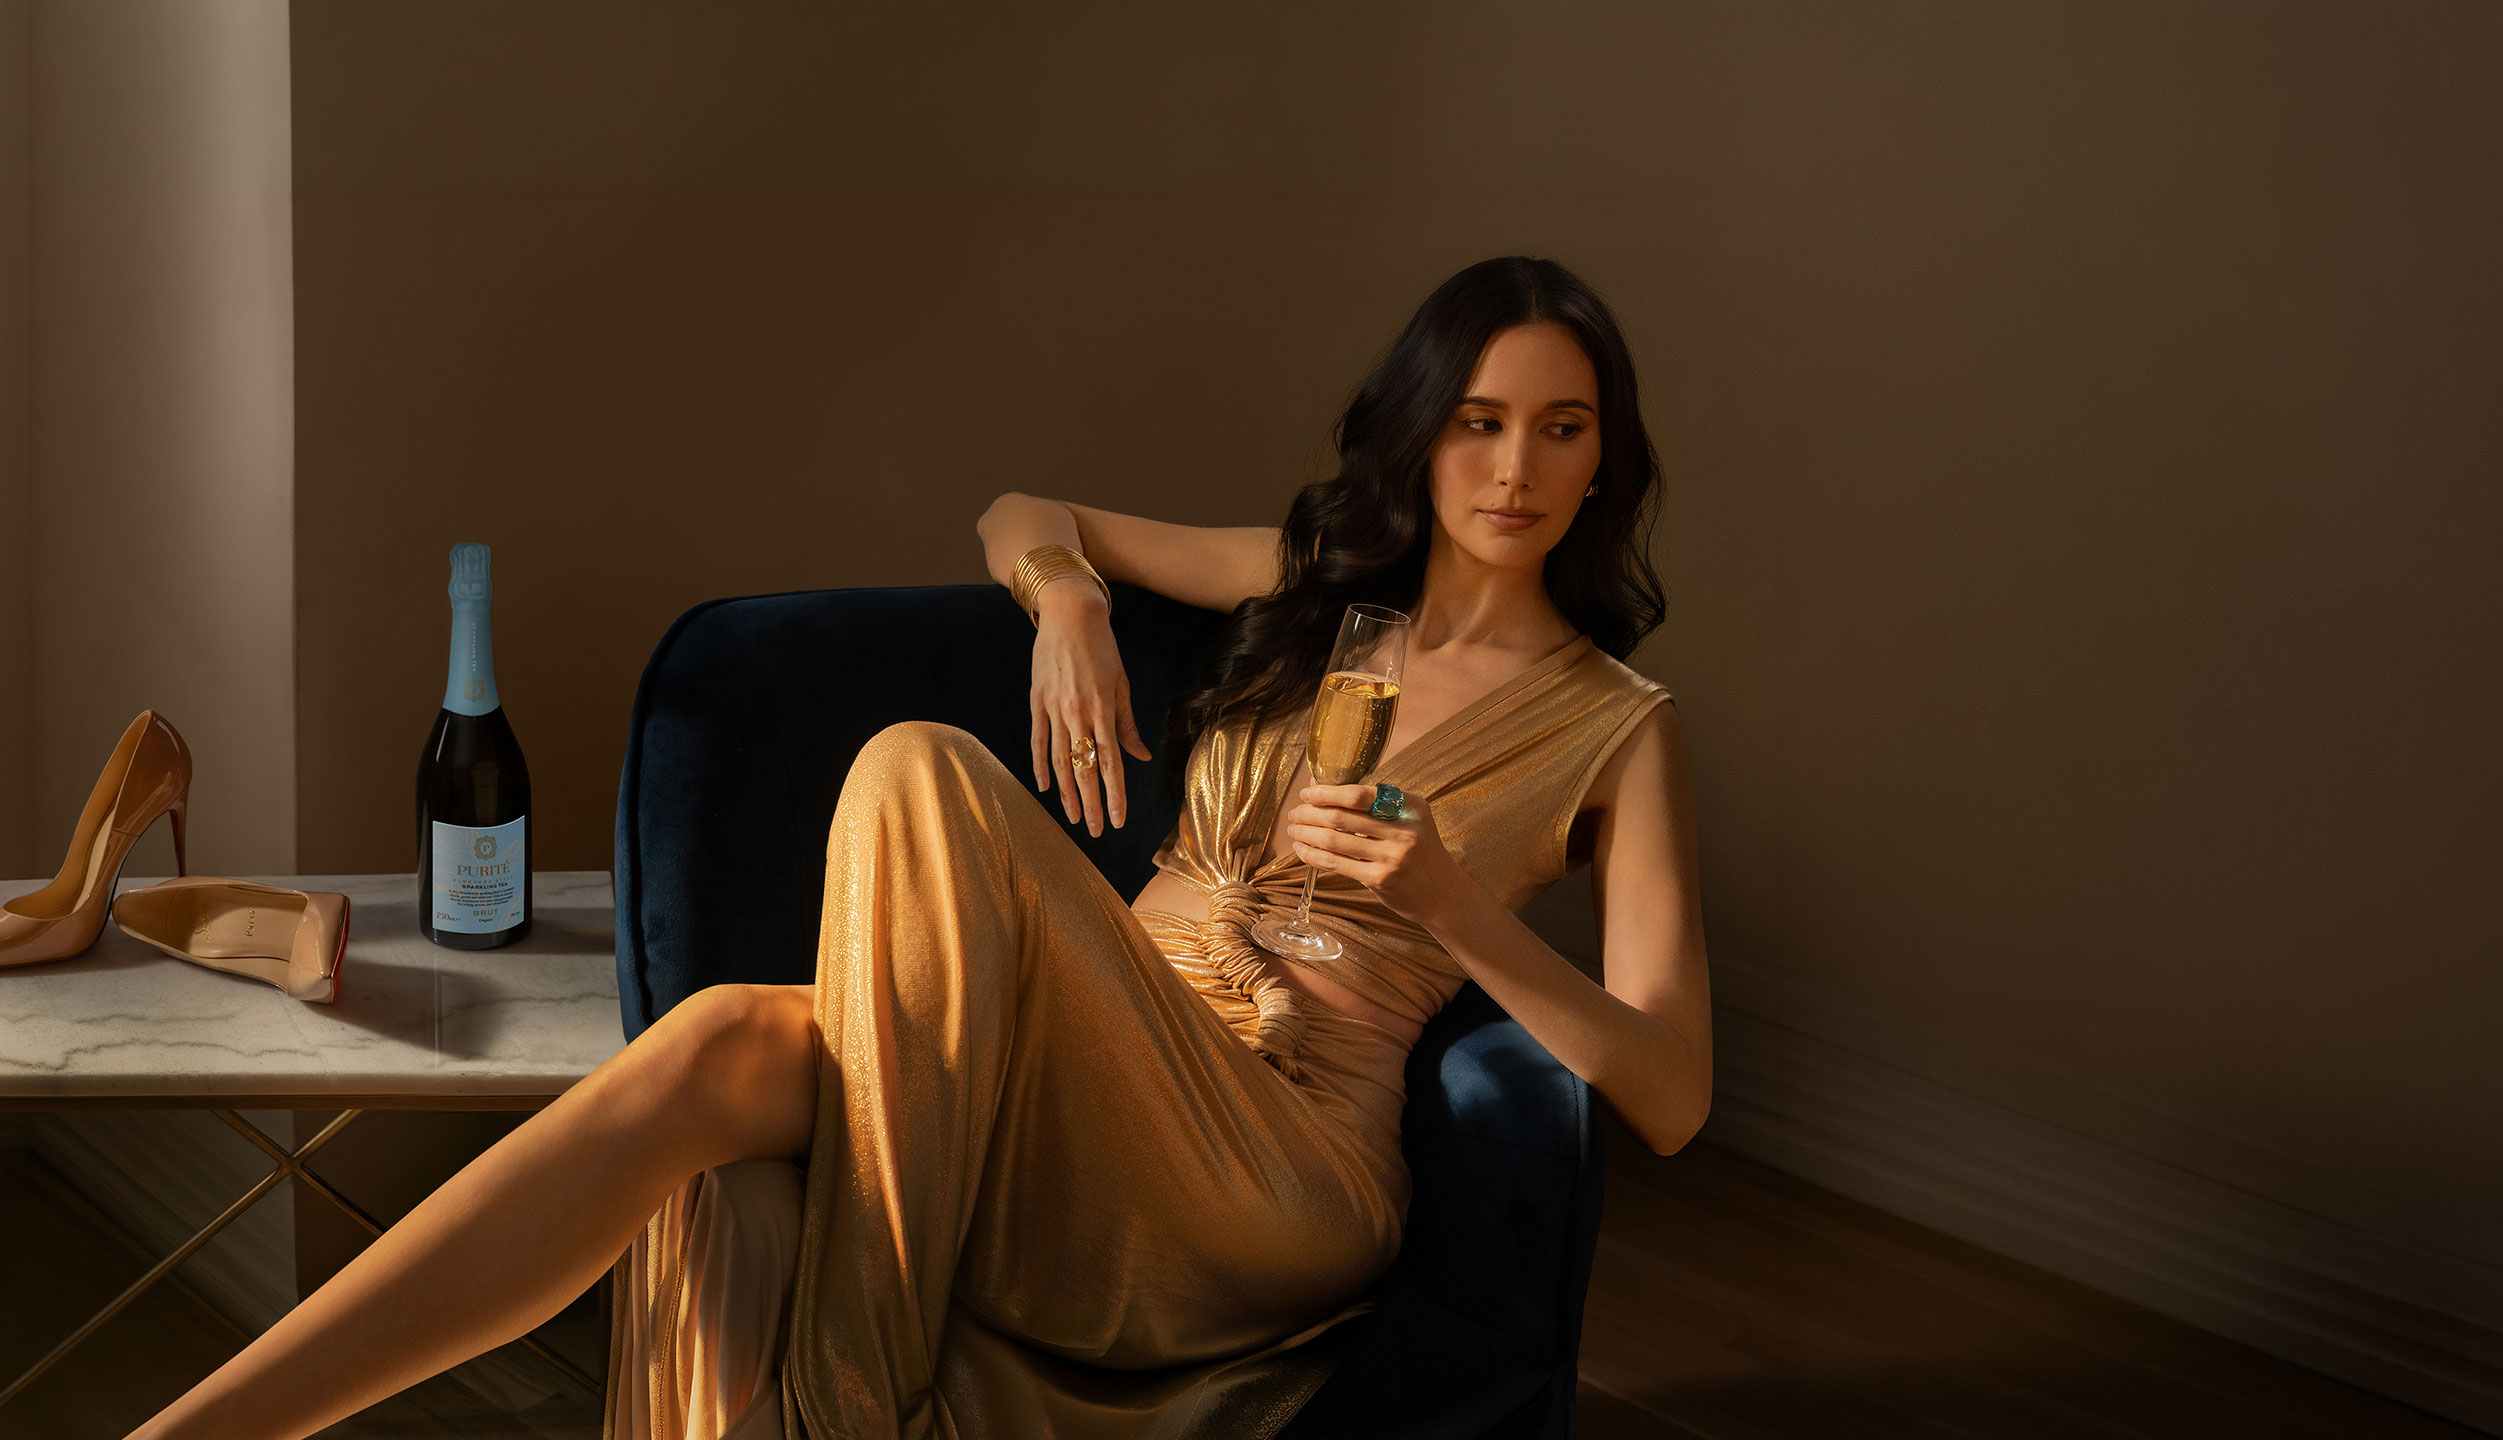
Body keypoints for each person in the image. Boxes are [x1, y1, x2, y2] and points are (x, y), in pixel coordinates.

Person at [127, 256, 1712, 1440]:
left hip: (1278, 1165)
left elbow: (1671, 1092)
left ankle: (851, 1402)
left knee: (921, 770)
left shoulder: (1617, 729)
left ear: (1605, 458)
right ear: (1423, 436)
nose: (1515, 471)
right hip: (1093, 1065)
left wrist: (1453, 907)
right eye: (1480, 423)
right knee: (717, 1046)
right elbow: (1023, 509)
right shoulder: (1310, 584)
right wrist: (1069, 603)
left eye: (1559, 430)